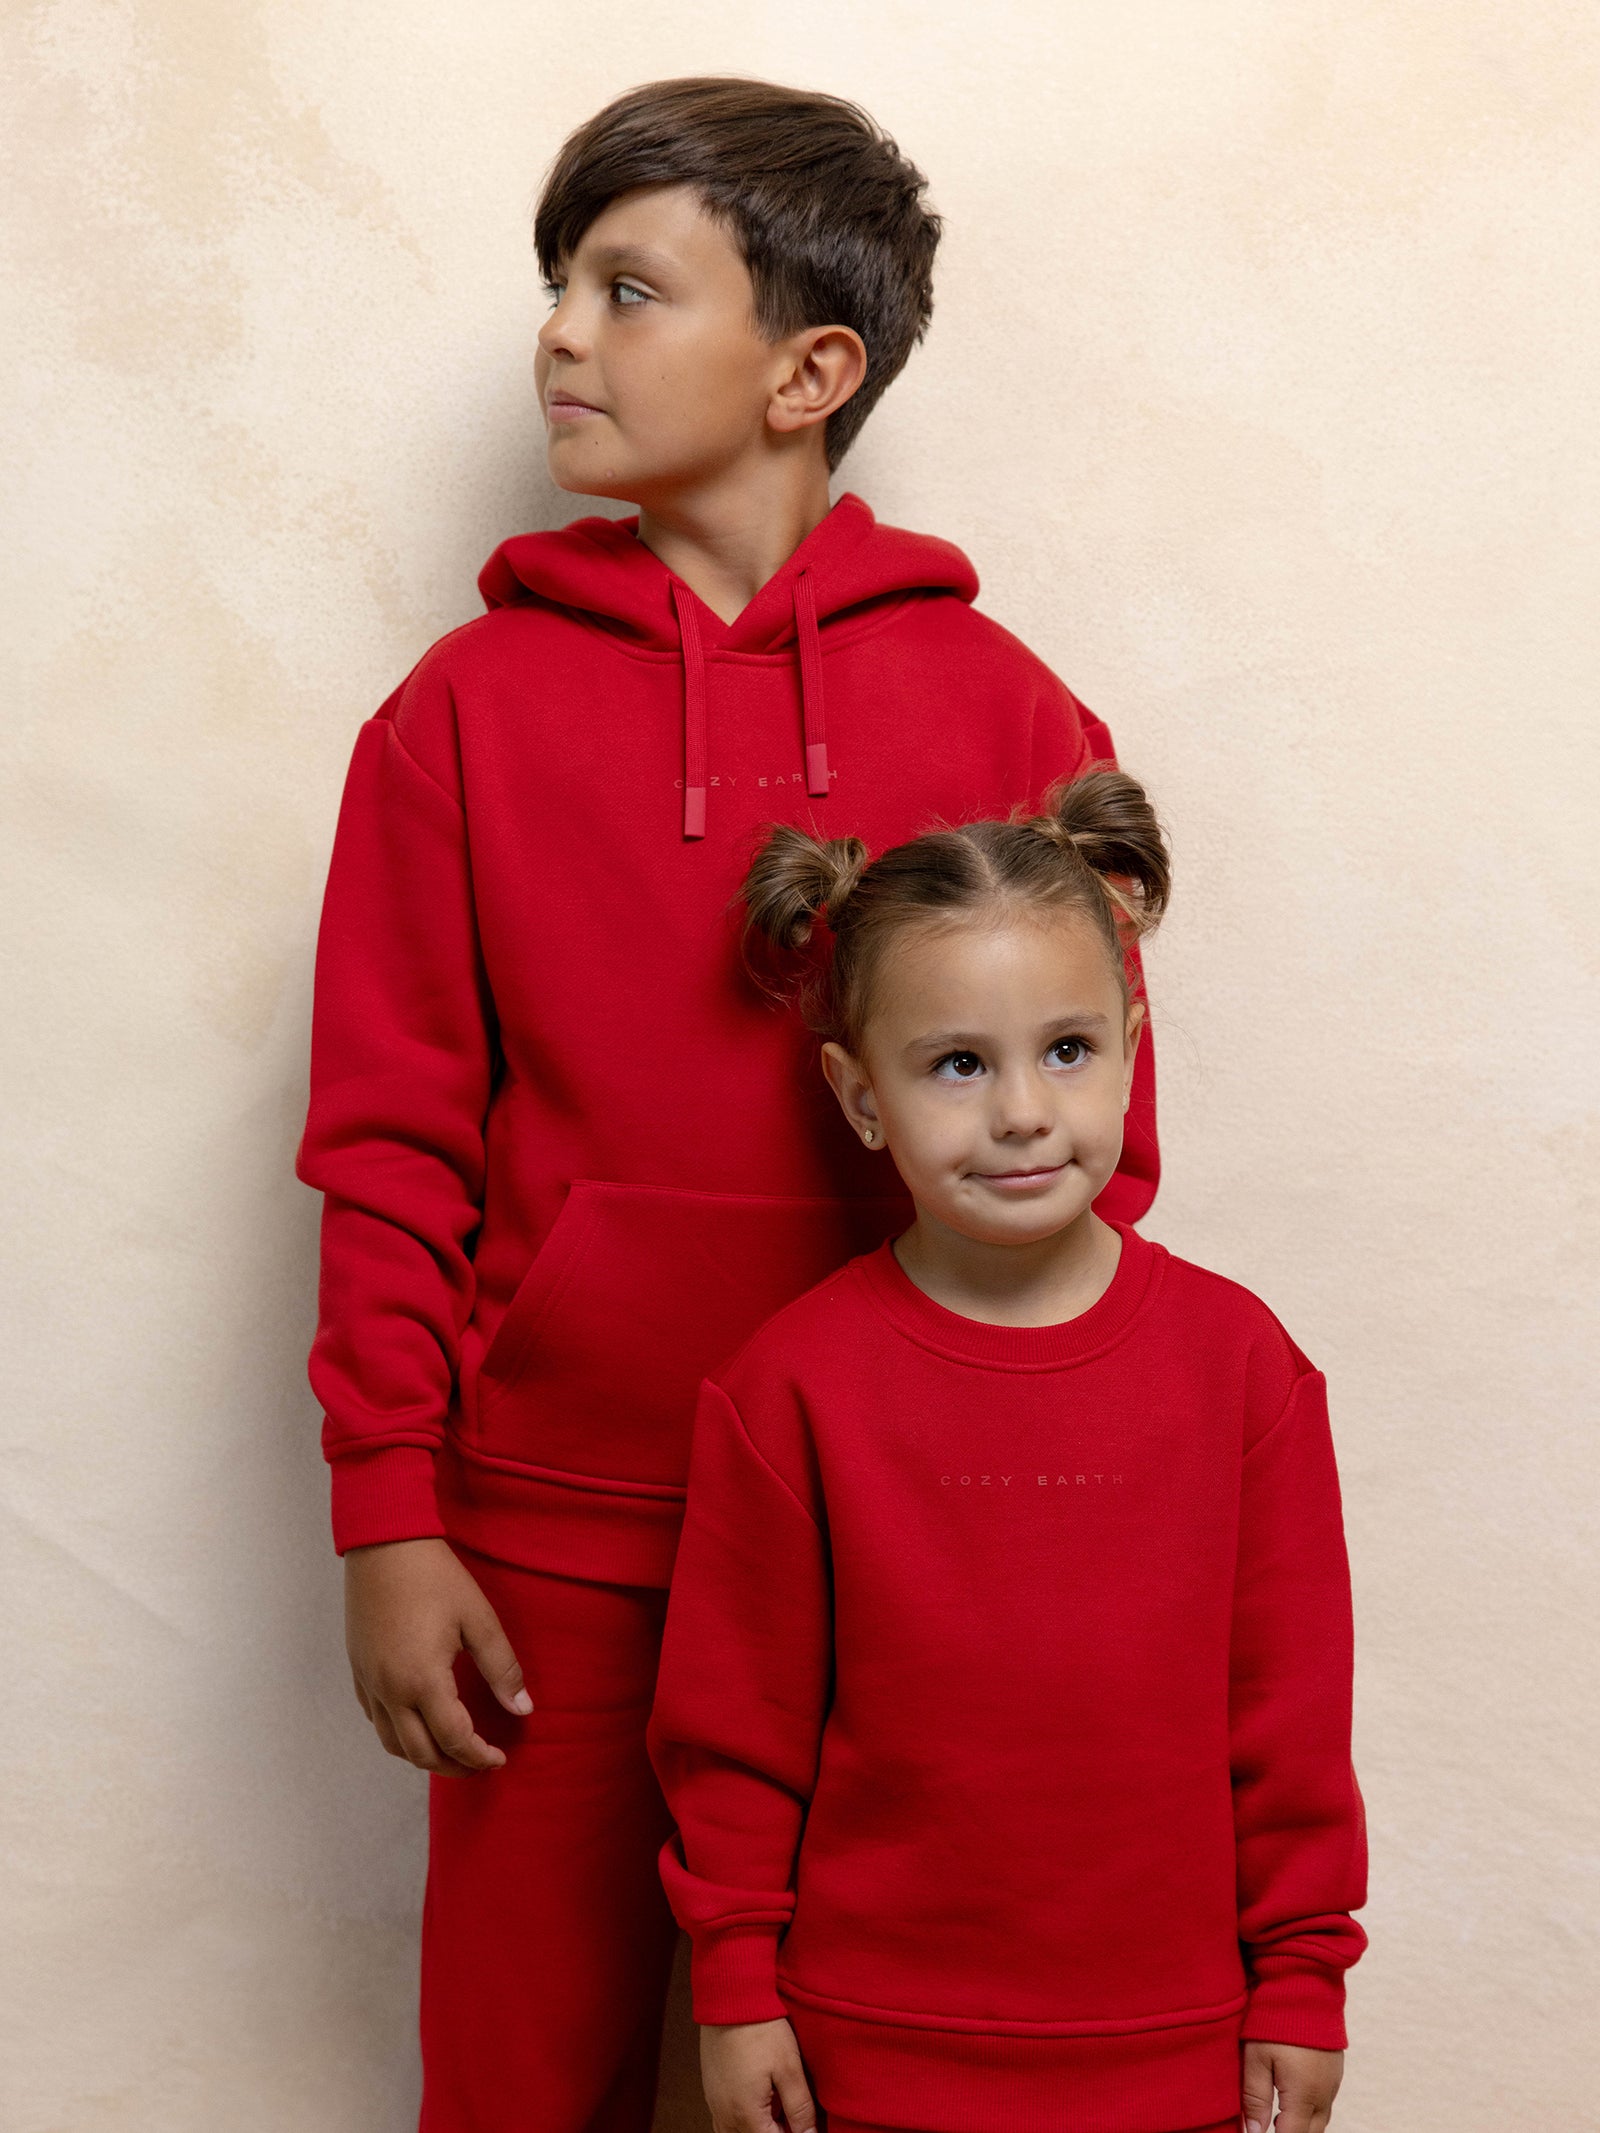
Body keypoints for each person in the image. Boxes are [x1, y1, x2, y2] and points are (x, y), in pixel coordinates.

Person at [297, 76, 1160, 2132]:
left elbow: (1098, 1150)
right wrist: (389, 1509)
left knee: (876, 2061)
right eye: (556, 288)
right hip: (553, 1540)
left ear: (808, 367)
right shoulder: (454, 721)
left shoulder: (1006, 711)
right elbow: (388, 1140)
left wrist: (1039, 1498)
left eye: (624, 288)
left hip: (910, 1522)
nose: (559, 337)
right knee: (523, 2063)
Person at [647, 768, 1368, 2133]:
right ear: (862, 1097)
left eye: (1069, 1049)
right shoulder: (787, 1388)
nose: (1025, 1111)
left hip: (1175, 2058)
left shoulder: (1245, 1373)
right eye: (959, 1063)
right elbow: (735, 1733)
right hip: (871, 2059)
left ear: (1134, 1044)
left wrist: (1301, 1983)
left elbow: (1288, 1719)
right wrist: (735, 1989)